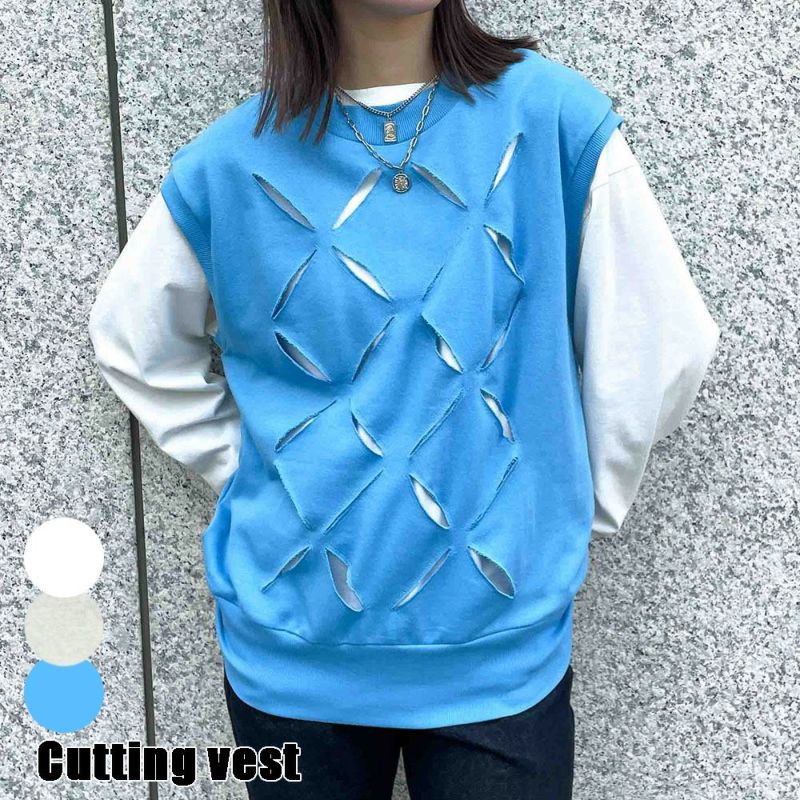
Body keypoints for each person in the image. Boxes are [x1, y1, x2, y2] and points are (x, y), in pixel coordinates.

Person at [88, 1, 721, 797]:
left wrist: (560, 510)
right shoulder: (228, 165)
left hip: (498, 661)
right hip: (293, 665)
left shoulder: (552, 121)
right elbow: (133, 340)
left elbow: (660, 345)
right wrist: (253, 472)